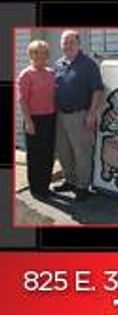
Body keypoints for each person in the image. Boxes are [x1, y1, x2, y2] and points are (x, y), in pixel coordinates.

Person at [53, 29, 104, 201]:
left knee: (82, 152)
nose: (67, 45)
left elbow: (98, 91)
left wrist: (92, 114)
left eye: (71, 41)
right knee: (64, 151)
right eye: (64, 42)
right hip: (60, 116)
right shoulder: (58, 64)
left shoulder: (88, 64)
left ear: (78, 44)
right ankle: (70, 180)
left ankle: (83, 186)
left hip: (80, 115)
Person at [17, 40, 56, 200]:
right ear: (31, 54)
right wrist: (28, 122)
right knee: (35, 156)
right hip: (34, 119)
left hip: (50, 118)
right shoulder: (26, 74)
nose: (40, 56)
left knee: (48, 154)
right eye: (36, 52)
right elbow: (22, 100)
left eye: (43, 52)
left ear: (47, 55)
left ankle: (45, 186)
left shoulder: (52, 72)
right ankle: (36, 189)